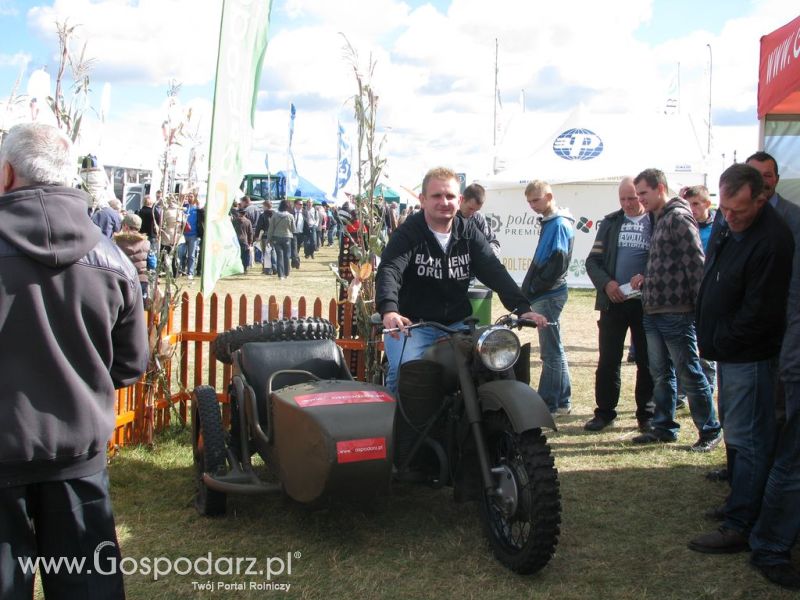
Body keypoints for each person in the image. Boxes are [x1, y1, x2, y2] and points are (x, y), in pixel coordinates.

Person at [0, 122, 148, 598]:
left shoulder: (112, 260)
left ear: (6, 175)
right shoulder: (114, 261)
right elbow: (130, 365)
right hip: (79, 462)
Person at [688, 163, 793, 553]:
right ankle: (739, 504)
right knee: (737, 434)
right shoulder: (728, 226)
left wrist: (723, 339)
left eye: (739, 211)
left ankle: (741, 524)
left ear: (762, 199)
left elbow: (760, 311)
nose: (729, 218)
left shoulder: (773, 240)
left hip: (749, 355)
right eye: (724, 209)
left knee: (749, 439)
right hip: (728, 351)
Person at [376, 166, 547, 394]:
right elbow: (390, 269)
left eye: (450, 196)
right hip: (414, 325)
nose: (444, 202)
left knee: (493, 364)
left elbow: (493, 269)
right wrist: (389, 310)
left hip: (458, 324)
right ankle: (397, 427)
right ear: (423, 199)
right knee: (406, 373)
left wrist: (522, 308)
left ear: (460, 200)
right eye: (436, 196)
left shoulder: (468, 232)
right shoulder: (409, 233)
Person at [630, 168, 721, 450]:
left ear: (660, 188)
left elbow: (696, 264)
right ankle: (664, 426)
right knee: (661, 374)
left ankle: (710, 430)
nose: (640, 199)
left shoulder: (679, 217)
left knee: (689, 372)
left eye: (643, 193)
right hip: (655, 308)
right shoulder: (659, 219)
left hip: (677, 311)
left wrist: (699, 308)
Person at [584, 177, 655, 432]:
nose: (627, 203)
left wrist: (647, 277)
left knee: (647, 361)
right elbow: (592, 261)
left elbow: (665, 259)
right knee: (608, 360)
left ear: (642, 196)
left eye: (632, 198)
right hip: (613, 302)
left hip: (646, 304)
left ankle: (646, 415)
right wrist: (607, 284)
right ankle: (604, 412)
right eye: (623, 198)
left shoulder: (656, 221)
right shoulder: (611, 222)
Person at [521, 180, 575, 416]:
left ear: (549, 196)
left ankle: (548, 403)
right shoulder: (553, 222)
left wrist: (535, 288)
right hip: (548, 292)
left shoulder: (559, 223)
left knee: (550, 352)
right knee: (555, 348)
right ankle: (562, 401)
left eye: (536, 200)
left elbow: (557, 263)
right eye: (529, 201)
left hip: (549, 294)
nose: (532, 205)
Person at [114, 213, 151, 303]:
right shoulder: (146, 243)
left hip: (121, 281)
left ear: (126, 226)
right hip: (141, 280)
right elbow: (152, 263)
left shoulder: (116, 242)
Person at [459, 183, 500, 257]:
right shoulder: (449, 217)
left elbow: (493, 242)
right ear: (462, 199)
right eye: (470, 208)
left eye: (476, 210)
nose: (472, 213)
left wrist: (488, 255)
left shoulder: (478, 218)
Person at [267, 199, 296, 280]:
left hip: (276, 238)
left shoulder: (275, 215)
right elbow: (294, 229)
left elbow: (271, 229)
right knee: (287, 256)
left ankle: (281, 275)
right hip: (287, 237)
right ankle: (287, 273)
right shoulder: (290, 216)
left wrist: (268, 239)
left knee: (279, 256)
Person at [231, 207, 254, 273]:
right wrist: (250, 242)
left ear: (238, 213)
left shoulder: (234, 221)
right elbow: (250, 233)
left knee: (237, 255)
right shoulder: (248, 221)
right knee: (245, 255)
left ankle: (237, 268)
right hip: (245, 240)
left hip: (236, 240)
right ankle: (245, 268)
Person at [291, 198, 304, 268]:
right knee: (294, 248)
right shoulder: (291, 212)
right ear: (295, 204)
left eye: (302, 204)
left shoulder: (304, 212)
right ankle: (297, 262)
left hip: (301, 233)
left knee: (297, 248)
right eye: (300, 204)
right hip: (293, 233)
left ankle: (293, 263)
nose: (301, 206)